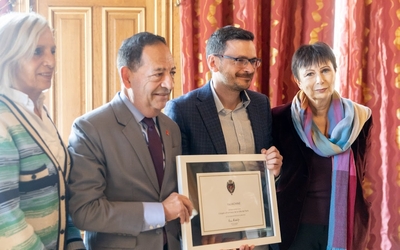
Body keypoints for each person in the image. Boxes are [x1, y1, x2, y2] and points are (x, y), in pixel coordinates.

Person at [67, 31, 254, 250]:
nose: (169, 83)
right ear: (127, 77)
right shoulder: (90, 129)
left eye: (172, 72)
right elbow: (84, 212)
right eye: (158, 74)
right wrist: (161, 212)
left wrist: (221, 238)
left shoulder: (170, 128)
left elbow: (184, 198)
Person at [164, 26, 282, 249]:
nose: (249, 68)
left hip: (258, 234)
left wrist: (274, 169)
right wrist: (220, 236)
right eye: (239, 60)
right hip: (212, 238)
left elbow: (265, 170)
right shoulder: (182, 109)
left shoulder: (260, 104)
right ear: (213, 62)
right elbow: (180, 181)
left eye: (253, 61)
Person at [271, 42, 372, 250]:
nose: (320, 80)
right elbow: (271, 175)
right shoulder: (279, 118)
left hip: (343, 223)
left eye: (325, 70)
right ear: (298, 81)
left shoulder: (360, 119)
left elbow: (361, 170)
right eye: (309, 74)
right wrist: (275, 172)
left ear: (335, 71)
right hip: (295, 226)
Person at [0, 12, 85, 249]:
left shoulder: (40, 112)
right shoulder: (2, 120)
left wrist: (75, 243)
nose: (51, 61)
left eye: (53, 51)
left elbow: (60, 195)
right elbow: (5, 217)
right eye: (37, 51)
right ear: (10, 55)